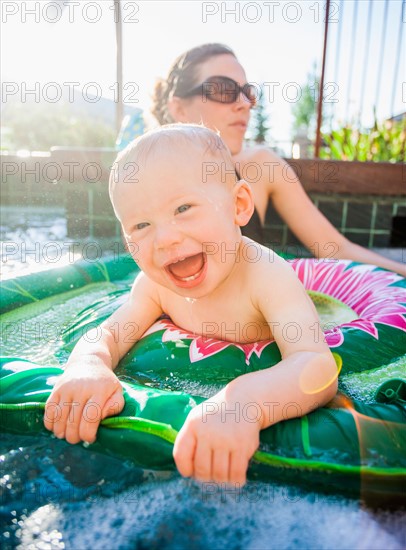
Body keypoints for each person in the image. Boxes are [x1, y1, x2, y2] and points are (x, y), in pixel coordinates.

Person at [44, 124, 338, 485]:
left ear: (238, 205)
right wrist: (88, 364)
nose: (165, 238)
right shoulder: (155, 285)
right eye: (141, 225)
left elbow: (316, 364)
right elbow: (109, 334)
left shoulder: (267, 276)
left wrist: (243, 403)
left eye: (183, 208)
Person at [152, 43, 406, 277]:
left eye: (247, 93)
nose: (244, 104)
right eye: (223, 90)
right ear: (179, 108)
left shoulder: (260, 165)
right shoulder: (145, 174)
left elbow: (334, 248)